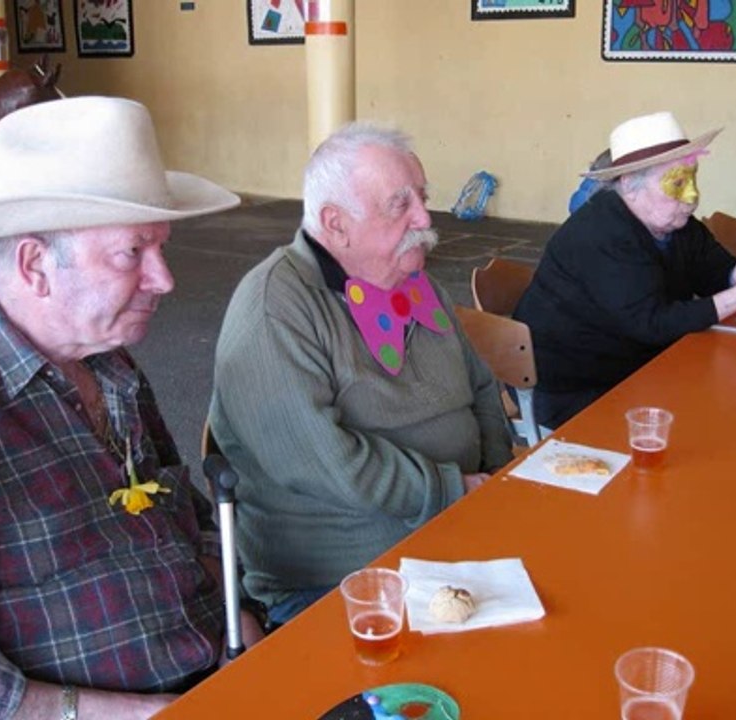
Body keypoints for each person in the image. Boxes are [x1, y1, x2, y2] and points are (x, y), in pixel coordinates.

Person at [0, 96, 264, 720]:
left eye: (162, 247)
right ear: (36, 264)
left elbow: (188, 520)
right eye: (133, 252)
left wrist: (243, 623)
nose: (166, 279)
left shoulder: (110, 363)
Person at [209, 122, 513, 626]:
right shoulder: (276, 307)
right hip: (344, 579)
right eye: (401, 205)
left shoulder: (417, 281)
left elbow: (480, 388)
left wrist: (497, 486)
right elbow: (325, 464)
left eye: (423, 197)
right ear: (336, 223)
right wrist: (455, 490)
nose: (424, 217)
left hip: (458, 531)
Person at [514, 111, 736, 429]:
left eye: (693, 178)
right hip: (578, 388)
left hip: (641, 365)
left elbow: (715, 274)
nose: (692, 196)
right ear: (630, 186)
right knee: (722, 418)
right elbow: (651, 323)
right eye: (677, 183)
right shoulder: (600, 234)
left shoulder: (678, 226)